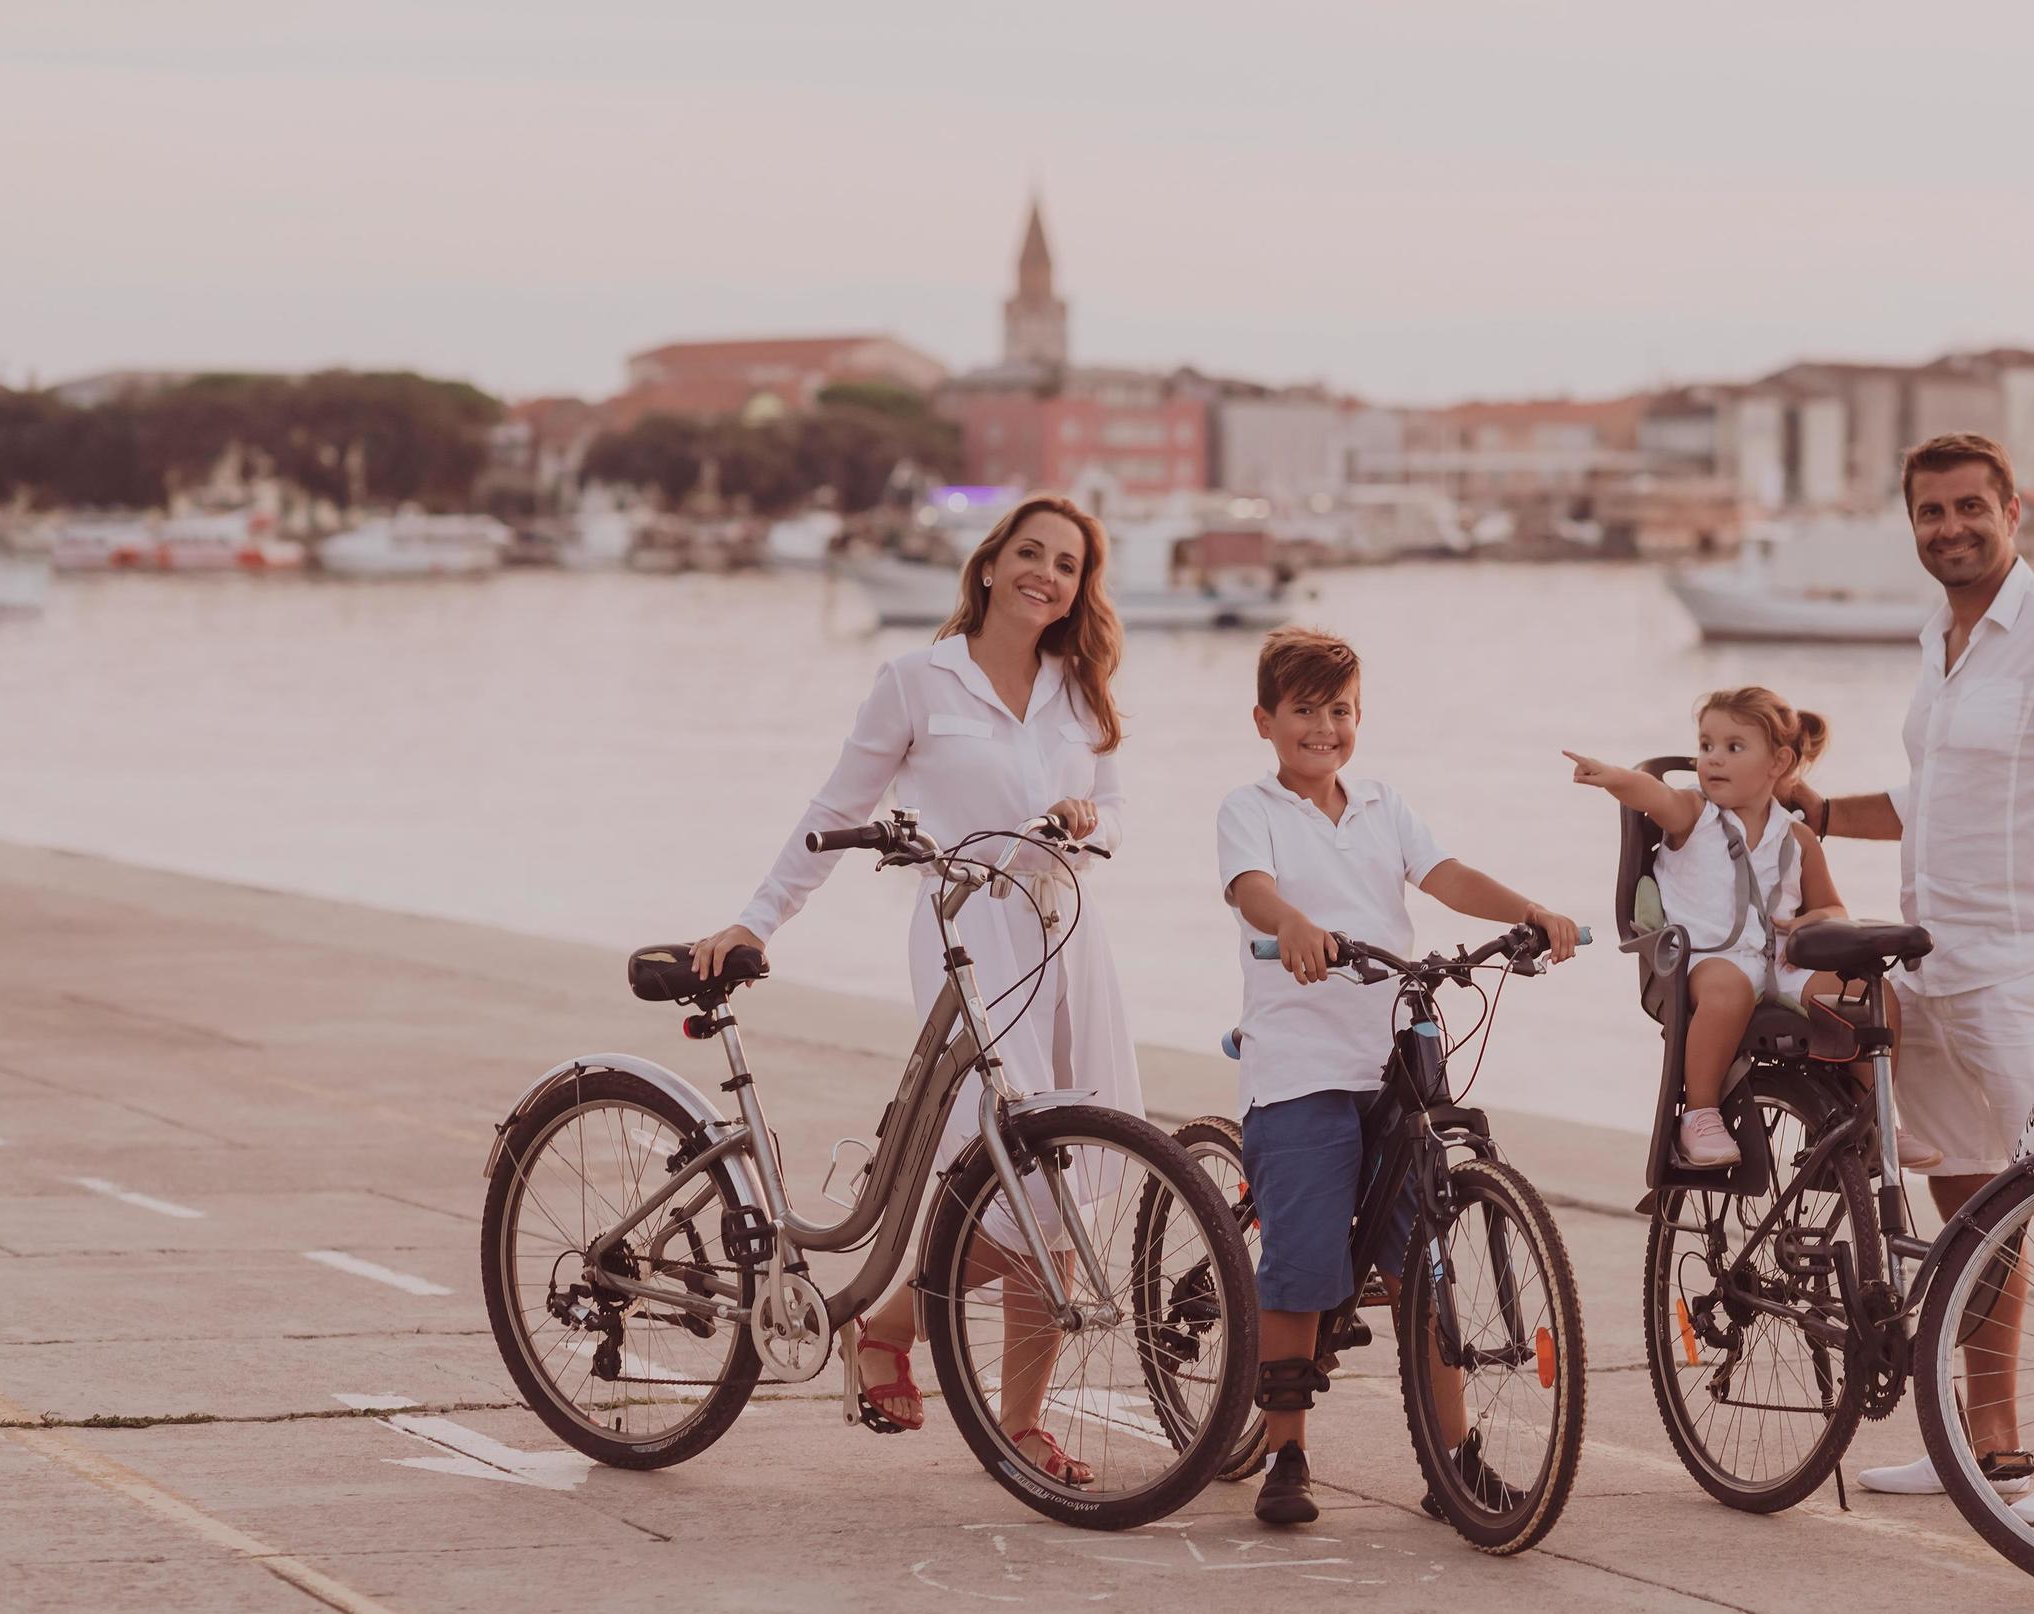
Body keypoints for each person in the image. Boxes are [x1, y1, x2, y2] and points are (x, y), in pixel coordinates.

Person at [687, 492, 1136, 1487]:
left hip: (1069, 936)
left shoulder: (1081, 688)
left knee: (1067, 1193)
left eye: (1067, 565)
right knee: (1018, 1180)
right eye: (1031, 553)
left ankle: (997, 1408)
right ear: (988, 565)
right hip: (970, 934)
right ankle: (894, 1332)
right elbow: (834, 808)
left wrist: (1081, 815)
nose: (1047, 575)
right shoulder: (914, 681)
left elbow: (1114, 819)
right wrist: (757, 921)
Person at [1782, 433, 2034, 1530]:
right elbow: (1930, 798)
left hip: (2026, 969)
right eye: (1929, 513)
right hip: (1929, 956)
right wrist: (1812, 812)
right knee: (1969, 1206)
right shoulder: (1940, 637)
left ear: (2012, 512)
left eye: (1967, 508)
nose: (1948, 528)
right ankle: (1985, 1443)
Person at [1218, 627, 1579, 1528]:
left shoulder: (1382, 803)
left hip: (1391, 1054)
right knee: (1300, 1266)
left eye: (1339, 711)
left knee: (1429, 1261)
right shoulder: (1250, 807)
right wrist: (1294, 924)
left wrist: (1528, 910)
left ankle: (1452, 1460)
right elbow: (1250, 887)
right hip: (1301, 1062)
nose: (1323, 727)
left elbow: (1445, 875)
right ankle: (1286, 1452)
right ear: (1266, 721)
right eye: (1303, 710)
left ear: (1359, 719)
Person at [1566, 687, 1916, 1169]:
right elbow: (1653, 794)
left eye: (1733, 747)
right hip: (1706, 961)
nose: (1712, 760)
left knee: (1875, 994)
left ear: (1778, 763)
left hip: (1780, 964)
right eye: (1706, 745)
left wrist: (1810, 921)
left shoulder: (1797, 837)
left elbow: (1833, 907)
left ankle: (1872, 1118)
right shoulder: (1695, 815)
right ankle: (1700, 1114)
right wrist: (1615, 778)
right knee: (1729, 990)